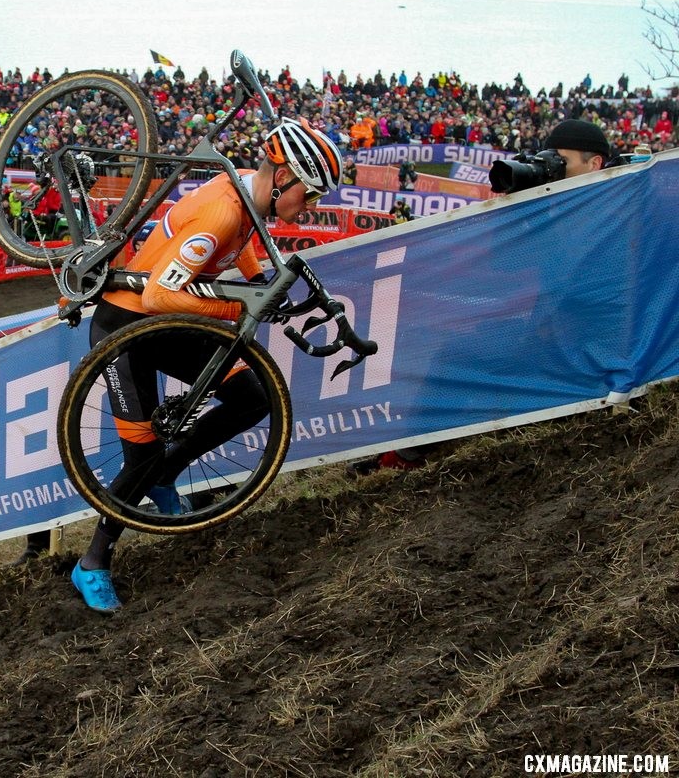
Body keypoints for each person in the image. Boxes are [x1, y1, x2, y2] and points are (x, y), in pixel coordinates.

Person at [51, 118, 343, 612]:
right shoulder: (221, 213)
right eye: (310, 195)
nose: (309, 207)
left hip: (165, 320)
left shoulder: (248, 189)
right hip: (128, 324)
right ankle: (93, 563)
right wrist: (242, 305)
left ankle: (167, 475)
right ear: (285, 177)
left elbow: (241, 243)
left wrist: (257, 278)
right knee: (139, 459)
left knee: (253, 396)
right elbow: (164, 293)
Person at [351, 117, 614, 477]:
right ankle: (409, 450)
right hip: (546, 328)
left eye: (561, 161)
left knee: (461, 356)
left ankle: (409, 455)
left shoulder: (610, 210)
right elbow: (506, 264)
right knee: (456, 349)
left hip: (579, 342)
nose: (552, 169)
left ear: (595, 163)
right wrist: (519, 211)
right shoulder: (565, 209)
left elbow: (589, 286)